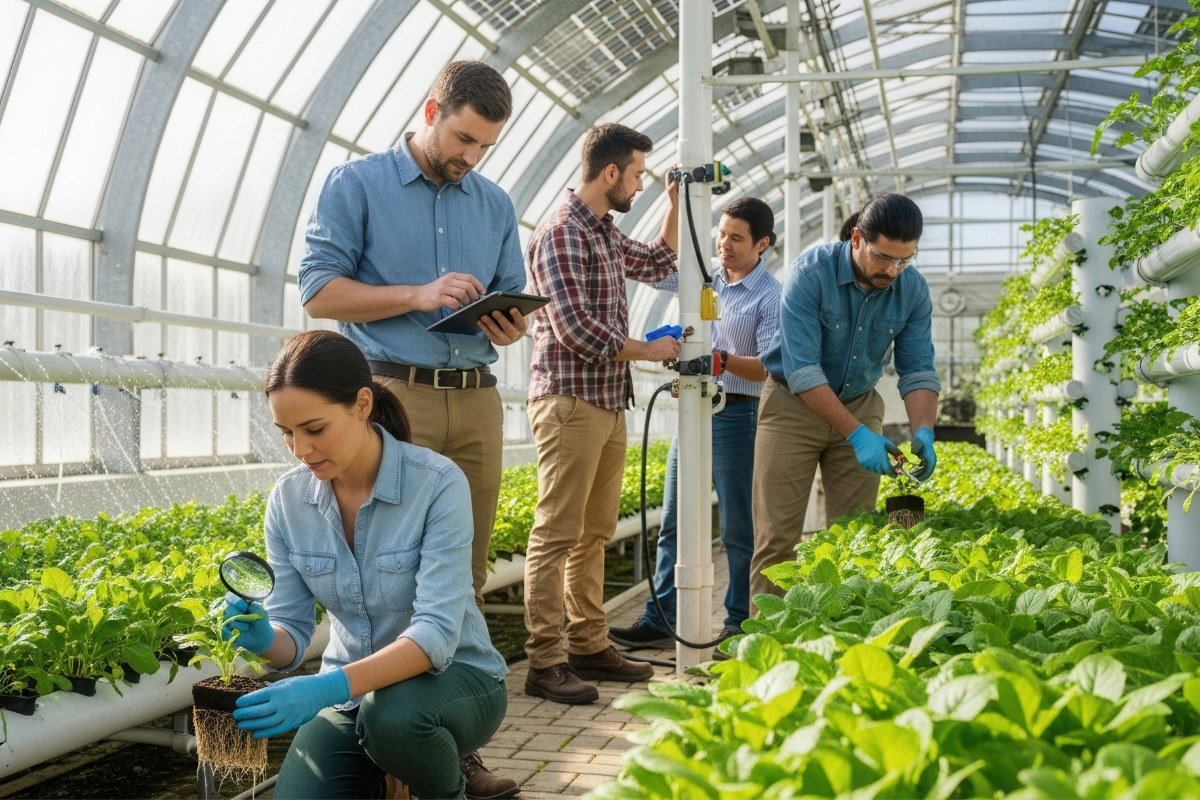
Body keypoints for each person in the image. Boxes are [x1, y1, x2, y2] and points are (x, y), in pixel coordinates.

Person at [298, 60, 522, 800]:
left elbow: (512, 316)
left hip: (476, 395)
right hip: (393, 392)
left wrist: (507, 319)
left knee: (463, 572)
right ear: (431, 110)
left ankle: (442, 741)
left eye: (484, 147)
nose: (470, 157)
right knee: (392, 568)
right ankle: (382, 737)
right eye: (462, 138)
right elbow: (319, 291)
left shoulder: (493, 203)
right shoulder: (354, 184)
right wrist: (420, 294)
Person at [222, 330, 511, 800]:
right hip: (352, 695)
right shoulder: (288, 500)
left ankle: (445, 789)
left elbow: (436, 634)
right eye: (286, 434)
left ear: (361, 404)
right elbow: (291, 636)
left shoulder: (437, 484)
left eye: (314, 429)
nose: (300, 449)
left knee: (394, 721)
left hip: (457, 680)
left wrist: (320, 690)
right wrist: (261, 637)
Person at [521, 123, 682, 705]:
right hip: (570, 402)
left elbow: (662, 261)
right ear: (609, 172)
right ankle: (544, 662)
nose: (640, 183)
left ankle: (589, 644)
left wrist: (673, 201)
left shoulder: (606, 234)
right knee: (556, 533)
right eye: (638, 174)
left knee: (592, 534)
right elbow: (576, 330)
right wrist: (648, 349)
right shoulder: (563, 233)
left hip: (608, 400)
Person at [608, 197, 781, 652]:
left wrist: (719, 359)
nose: (723, 244)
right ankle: (661, 618)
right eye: (721, 234)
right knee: (674, 521)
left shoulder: (770, 295)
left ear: (762, 244)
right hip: (691, 410)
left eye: (736, 237)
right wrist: (671, 203)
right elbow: (653, 263)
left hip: (737, 414)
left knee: (739, 527)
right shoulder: (701, 280)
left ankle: (740, 622)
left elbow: (767, 366)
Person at [749, 193, 940, 603]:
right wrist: (858, 436)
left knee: (853, 536)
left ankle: (840, 635)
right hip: (792, 408)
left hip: (859, 401)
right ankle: (763, 642)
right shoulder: (809, 274)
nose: (893, 270)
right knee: (777, 538)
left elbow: (919, 368)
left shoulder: (912, 290)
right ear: (856, 238)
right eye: (883, 257)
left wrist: (923, 428)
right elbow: (803, 371)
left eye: (904, 260)